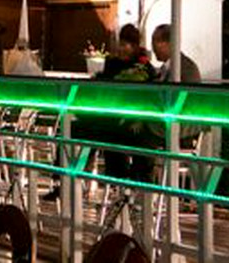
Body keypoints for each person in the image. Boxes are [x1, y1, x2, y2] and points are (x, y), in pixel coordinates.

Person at [42, 24, 155, 201]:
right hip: (107, 119)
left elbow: (144, 99)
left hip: (123, 123)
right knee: (70, 130)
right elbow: (100, 86)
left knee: (102, 137)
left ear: (135, 46)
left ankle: (118, 186)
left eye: (126, 45)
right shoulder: (114, 64)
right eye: (122, 44)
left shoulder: (145, 69)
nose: (122, 49)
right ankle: (63, 181)